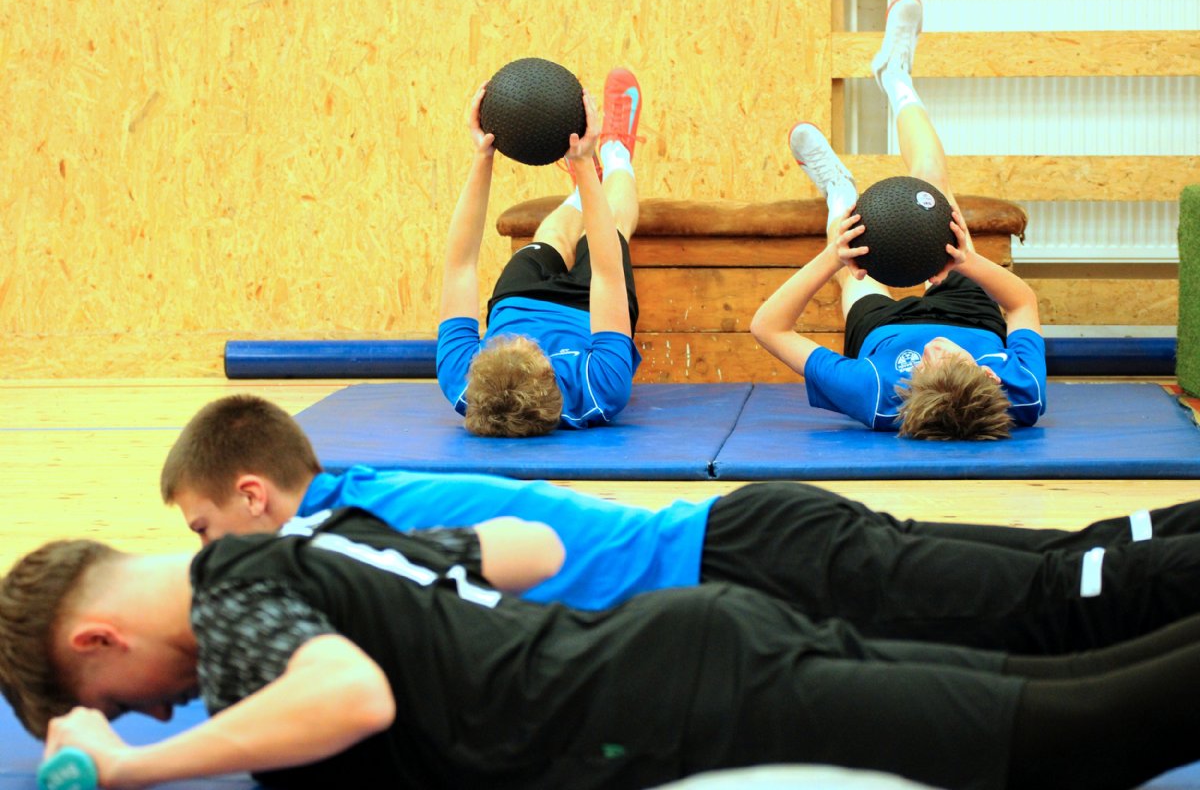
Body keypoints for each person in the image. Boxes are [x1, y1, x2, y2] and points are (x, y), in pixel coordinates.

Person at [8, 510, 1200, 790]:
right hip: (691, 644)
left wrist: (124, 766)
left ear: (95, 635)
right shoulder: (315, 535)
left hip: (684, 703)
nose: (159, 710)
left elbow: (349, 694)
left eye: (121, 695)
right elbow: (525, 546)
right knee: (1069, 687)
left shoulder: (227, 602)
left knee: (1074, 739)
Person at [159, 394, 1200, 655]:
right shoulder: (357, 487)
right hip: (763, 539)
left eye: (206, 530)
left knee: (1058, 601)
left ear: (254, 495)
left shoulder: (346, 528)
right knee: (1070, 561)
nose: (209, 558)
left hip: (766, 562)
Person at [751, 0, 1046, 440]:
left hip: (884, 334)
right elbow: (1023, 303)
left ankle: (838, 191)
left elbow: (768, 327)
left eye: (921, 368)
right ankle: (895, 75)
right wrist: (969, 262)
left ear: (907, 392)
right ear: (990, 376)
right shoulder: (1022, 391)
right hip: (970, 320)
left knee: (851, 254)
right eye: (945, 359)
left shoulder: (874, 392)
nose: (929, 350)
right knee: (932, 187)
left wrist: (832, 258)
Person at [436, 68, 643, 437]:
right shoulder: (598, 388)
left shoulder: (462, 379)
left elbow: (460, 265)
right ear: (551, 371)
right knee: (612, 228)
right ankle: (615, 153)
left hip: (519, 299)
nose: (524, 334)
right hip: (586, 312)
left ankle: (583, 188)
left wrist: (482, 157)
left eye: (503, 342)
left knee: (551, 235)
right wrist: (582, 162)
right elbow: (607, 272)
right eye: (528, 344)